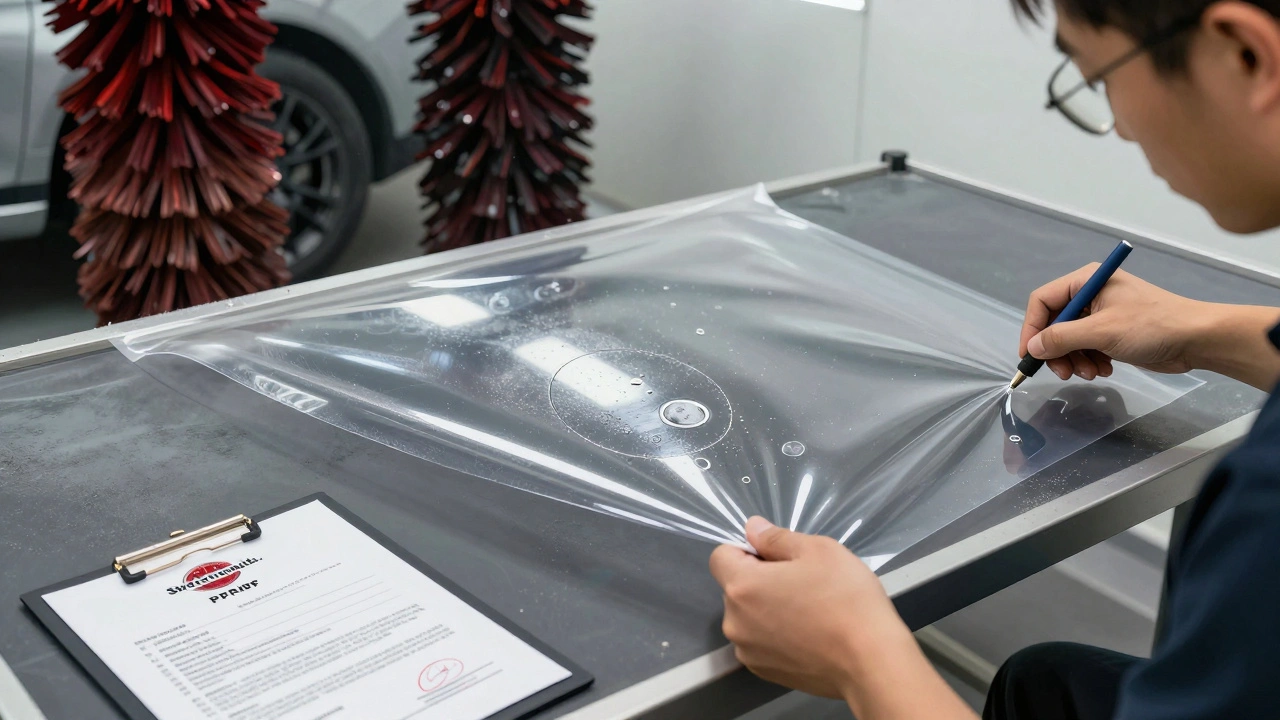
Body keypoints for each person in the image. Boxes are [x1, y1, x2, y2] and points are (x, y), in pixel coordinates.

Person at [708, 1, 1280, 718]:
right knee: (1043, 682)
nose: (1123, 126)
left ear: (1246, 57)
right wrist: (1200, 331)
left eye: (1099, 77)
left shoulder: (1266, 506)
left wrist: (859, 654)